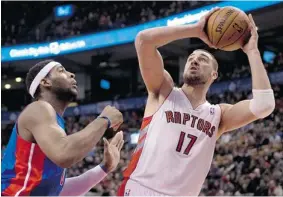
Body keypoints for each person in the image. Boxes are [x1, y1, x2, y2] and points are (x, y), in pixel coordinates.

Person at [117, 8, 275, 196]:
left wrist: (252, 51)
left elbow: (264, 105)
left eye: (202, 59)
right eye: (191, 58)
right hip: (141, 190)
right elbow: (143, 40)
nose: (194, 61)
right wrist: (195, 30)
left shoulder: (219, 115)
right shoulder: (163, 90)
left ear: (214, 74)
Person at [1, 60, 124, 196]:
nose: (71, 74)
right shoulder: (39, 108)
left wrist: (105, 167)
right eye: (61, 70)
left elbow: (59, 191)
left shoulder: (54, 125)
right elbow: (64, 154)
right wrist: (104, 120)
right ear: (45, 82)